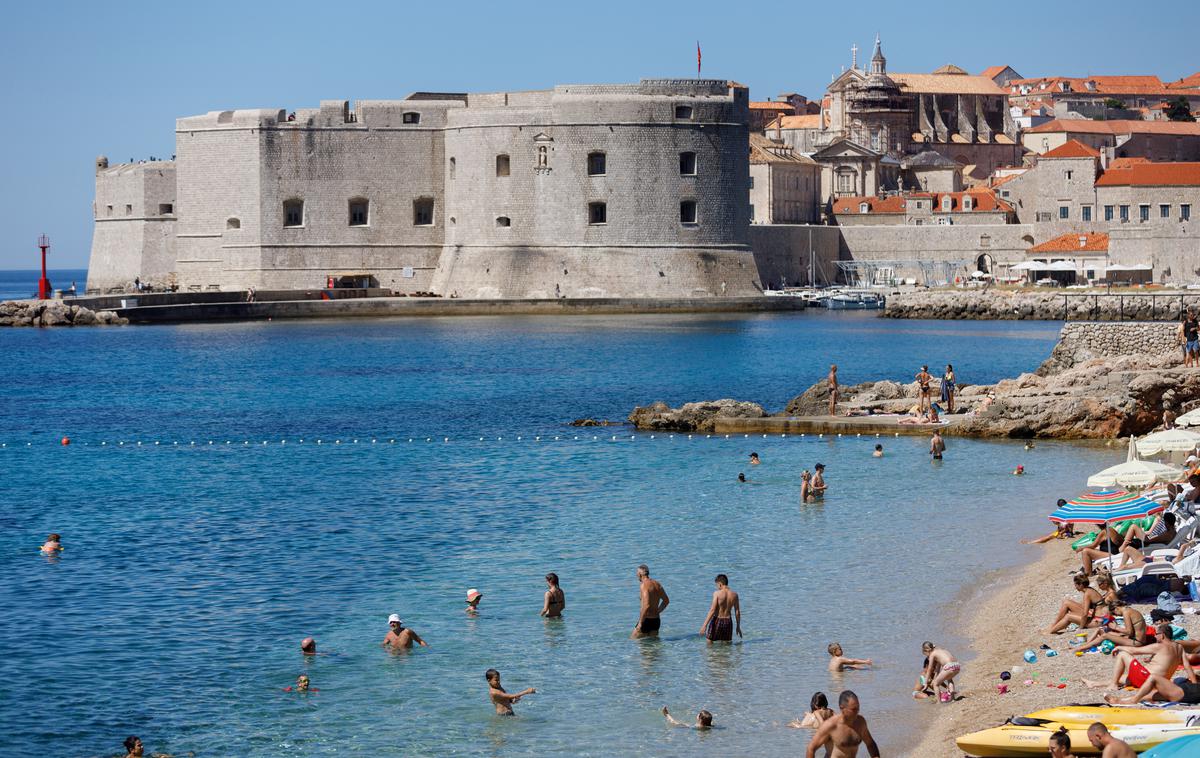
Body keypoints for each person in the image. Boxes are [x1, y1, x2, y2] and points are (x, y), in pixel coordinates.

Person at [1086, 622, 1188, 690]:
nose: (1155, 636)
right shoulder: (1179, 647)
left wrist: (1119, 647)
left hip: (1147, 680)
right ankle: (1094, 684)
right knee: (1123, 678)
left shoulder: (1160, 646)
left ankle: (1113, 685)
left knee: (1122, 655)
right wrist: (1194, 683)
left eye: (1156, 634)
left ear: (1162, 635)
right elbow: (1187, 666)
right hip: (1161, 683)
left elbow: (1135, 651)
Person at [805, 690, 880, 758]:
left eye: (858, 708)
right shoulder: (830, 726)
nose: (857, 712)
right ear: (842, 708)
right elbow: (811, 748)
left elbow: (870, 744)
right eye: (853, 709)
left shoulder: (860, 722)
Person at [1081, 601, 1148, 649]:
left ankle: (1080, 648)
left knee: (1105, 635)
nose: (1116, 615)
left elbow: (1129, 632)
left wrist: (1115, 627)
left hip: (1136, 642)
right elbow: (1132, 632)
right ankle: (1086, 644)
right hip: (1136, 639)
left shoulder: (1126, 612)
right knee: (1101, 630)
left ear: (1117, 608)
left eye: (1114, 614)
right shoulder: (1130, 610)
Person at [699, 574, 741, 643]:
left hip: (717, 620)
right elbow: (737, 612)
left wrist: (704, 625)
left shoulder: (717, 593)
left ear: (720, 584)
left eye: (717, 585)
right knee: (726, 645)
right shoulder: (735, 595)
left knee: (709, 642)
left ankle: (712, 653)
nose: (717, 587)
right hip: (728, 622)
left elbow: (712, 610)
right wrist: (738, 626)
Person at [632, 564, 669, 638]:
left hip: (646, 620)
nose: (636, 575)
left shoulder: (644, 585)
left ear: (640, 574)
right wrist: (658, 611)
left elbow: (646, 605)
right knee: (653, 646)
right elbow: (666, 601)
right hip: (656, 621)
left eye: (636, 573)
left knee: (632, 641)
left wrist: (640, 622)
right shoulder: (657, 584)